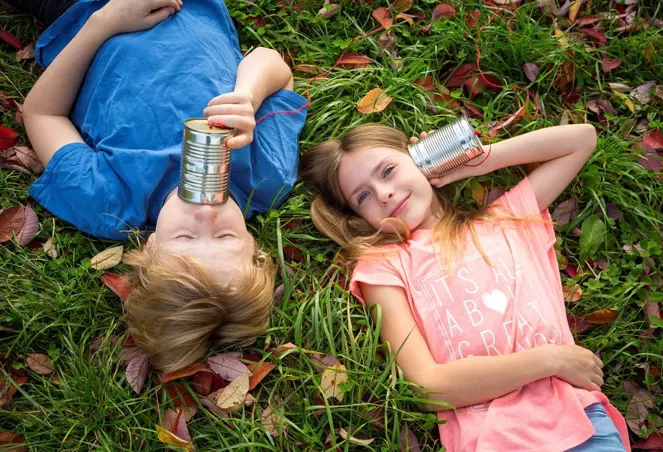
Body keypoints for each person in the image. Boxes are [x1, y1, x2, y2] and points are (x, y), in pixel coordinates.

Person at [14, 0, 307, 372]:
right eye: (226, 238)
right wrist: (249, 96)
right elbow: (273, 64)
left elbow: (41, 112)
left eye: (185, 238)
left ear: (150, 247)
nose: (206, 216)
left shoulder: (108, 201)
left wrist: (105, 21)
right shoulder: (266, 175)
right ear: (253, 244)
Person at [300, 123, 630, 451]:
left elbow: (581, 140)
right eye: (363, 196)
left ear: (418, 158)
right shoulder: (383, 266)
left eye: (388, 171)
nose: (383, 193)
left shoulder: (507, 219)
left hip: (584, 426)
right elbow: (427, 386)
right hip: (495, 440)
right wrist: (551, 361)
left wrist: (476, 160)